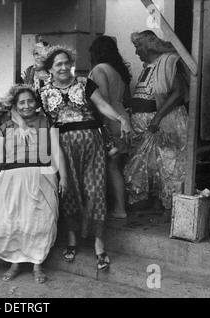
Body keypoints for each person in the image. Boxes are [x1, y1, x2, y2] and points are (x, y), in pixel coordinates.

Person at [37, 45, 133, 270]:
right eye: (58, 64)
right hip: (62, 146)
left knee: (96, 190)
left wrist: (122, 119)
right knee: (69, 191)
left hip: (92, 143)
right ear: (49, 69)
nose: (63, 67)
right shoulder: (42, 91)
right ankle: (72, 238)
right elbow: (39, 120)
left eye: (66, 63)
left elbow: (102, 105)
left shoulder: (85, 83)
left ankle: (99, 243)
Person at [0, 84, 68, 283]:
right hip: (12, 178)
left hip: (42, 176)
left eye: (30, 101)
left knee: (41, 220)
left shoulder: (45, 122)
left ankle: (37, 264)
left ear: (36, 103)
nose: (26, 106)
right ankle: (14, 262)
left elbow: (56, 151)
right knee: (13, 220)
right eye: (21, 102)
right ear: (14, 105)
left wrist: (64, 177)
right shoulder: (6, 127)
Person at [123, 30, 189, 224]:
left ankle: (171, 210)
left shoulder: (168, 61)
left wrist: (157, 118)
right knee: (152, 167)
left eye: (137, 47)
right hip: (146, 126)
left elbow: (178, 92)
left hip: (165, 123)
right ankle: (157, 206)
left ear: (148, 46)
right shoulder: (148, 66)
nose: (136, 52)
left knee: (170, 166)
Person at [89, 35, 132, 220]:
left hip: (109, 120)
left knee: (110, 168)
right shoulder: (117, 70)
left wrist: (103, 126)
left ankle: (118, 209)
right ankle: (118, 206)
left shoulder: (99, 69)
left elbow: (104, 100)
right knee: (116, 166)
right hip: (122, 117)